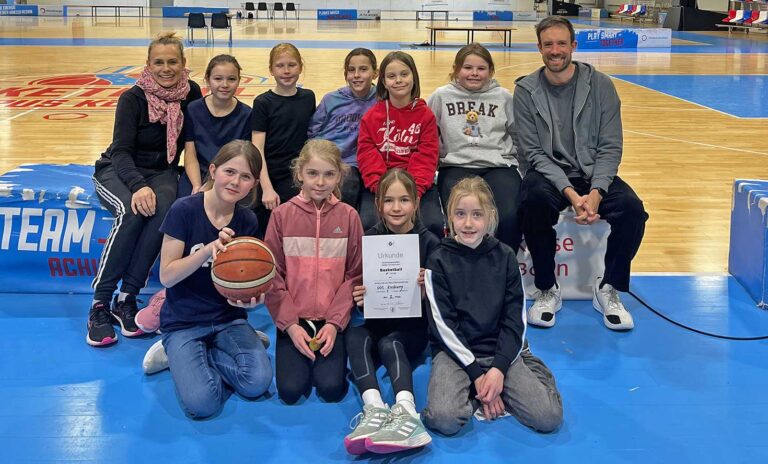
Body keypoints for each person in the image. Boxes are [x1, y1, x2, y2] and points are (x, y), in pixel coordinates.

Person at [513, 16, 648, 330]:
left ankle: (609, 287)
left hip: (592, 172)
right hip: (548, 172)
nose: (555, 50)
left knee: (632, 210)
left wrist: (597, 191)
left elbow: (610, 146)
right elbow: (533, 153)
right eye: (548, 44)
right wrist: (572, 195)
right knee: (532, 201)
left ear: (573, 46)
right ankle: (547, 288)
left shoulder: (601, 85)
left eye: (561, 43)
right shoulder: (526, 90)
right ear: (539, 48)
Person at [422, 177, 563, 436]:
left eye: (477, 214)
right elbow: (444, 326)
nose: (468, 223)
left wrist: (498, 369)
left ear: (490, 217)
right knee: (444, 419)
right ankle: (483, 394)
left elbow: (515, 319)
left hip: (500, 349)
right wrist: (478, 376)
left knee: (548, 417)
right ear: (450, 217)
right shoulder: (438, 260)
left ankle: (524, 362)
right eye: (460, 214)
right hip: (455, 352)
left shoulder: (506, 257)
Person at [87, 32, 202, 347]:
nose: (166, 68)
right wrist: (138, 186)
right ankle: (100, 303)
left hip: (162, 171)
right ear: (148, 65)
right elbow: (121, 151)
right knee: (131, 211)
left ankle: (127, 297)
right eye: (159, 62)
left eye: (172, 62)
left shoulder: (191, 93)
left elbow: (194, 141)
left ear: (183, 63)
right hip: (119, 169)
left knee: (165, 213)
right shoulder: (132, 99)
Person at [141, 140, 272, 419]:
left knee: (257, 383)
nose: (235, 182)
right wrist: (208, 250)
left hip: (228, 319)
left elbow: (243, 278)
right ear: (213, 170)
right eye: (229, 171)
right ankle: (174, 353)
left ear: (253, 184)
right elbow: (167, 276)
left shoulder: (247, 220)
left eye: (246, 177)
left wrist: (250, 301)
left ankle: (199, 356)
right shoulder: (184, 210)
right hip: (184, 322)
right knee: (203, 404)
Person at [344, 168, 440, 455]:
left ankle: (407, 412)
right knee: (354, 336)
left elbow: (445, 301)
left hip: (412, 329)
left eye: (404, 200)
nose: (396, 208)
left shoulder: (430, 243)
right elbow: (360, 285)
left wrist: (428, 289)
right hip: (379, 320)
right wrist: (359, 295)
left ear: (416, 203)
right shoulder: (370, 240)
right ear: (378, 204)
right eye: (389, 200)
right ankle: (375, 408)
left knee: (390, 343)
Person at [264, 139, 363, 404]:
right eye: (312, 173)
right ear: (300, 174)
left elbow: (355, 275)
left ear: (339, 176)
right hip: (293, 318)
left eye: (329, 174)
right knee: (290, 391)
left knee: (331, 388)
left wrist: (334, 323)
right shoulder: (281, 216)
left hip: (332, 319)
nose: (320, 182)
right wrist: (290, 326)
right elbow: (272, 275)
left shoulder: (349, 217)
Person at [427, 43, 523, 252]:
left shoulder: (504, 97)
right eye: (468, 67)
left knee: (509, 216)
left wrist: (518, 163)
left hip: (498, 166)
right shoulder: (441, 96)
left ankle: (504, 264)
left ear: (491, 71)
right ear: (456, 69)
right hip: (455, 166)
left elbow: (518, 134)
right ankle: (462, 264)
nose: (474, 73)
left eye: (481, 68)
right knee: (461, 218)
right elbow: (427, 132)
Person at [357, 51, 443, 239]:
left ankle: (429, 260)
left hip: (416, 187)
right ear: (383, 81)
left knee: (432, 224)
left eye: (404, 74)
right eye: (391, 76)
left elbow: (427, 157)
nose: (398, 80)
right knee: (369, 223)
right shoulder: (371, 117)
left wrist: (412, 193)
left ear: (414, 77)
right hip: (380, 186)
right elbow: (367, 156)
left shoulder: (426, 116)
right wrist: (383, 191)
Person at [251, 43, 315, 237]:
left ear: (300, 67)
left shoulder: (308, 97)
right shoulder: (263, 103)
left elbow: (311, 139)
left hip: (296, 173)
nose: (286, 71)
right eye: (280, 66)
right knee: (264, 224)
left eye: (292, 65)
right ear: (271, 70)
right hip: (268, 173)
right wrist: (267, 188)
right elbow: (257, 149)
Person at [307, 48, 378, 209]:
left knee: (350, 183)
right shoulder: (331, 99)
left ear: (375, 73)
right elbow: (313, 132)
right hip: (328, 158)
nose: (356, 75)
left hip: (356, 162)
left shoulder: (381, 100)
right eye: (351, 70)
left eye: (363, 69)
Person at [178, 54, 252, 198]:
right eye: (218, 78)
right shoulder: (193, 109)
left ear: (239, 80)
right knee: (183, 204)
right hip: (197, 173)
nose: (225, 85)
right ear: (207, 79)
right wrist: (197, 186)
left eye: (231, 79)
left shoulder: (247, 114)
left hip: (230, 176)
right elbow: (190, 154)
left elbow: (241, 159)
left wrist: (213, 184)